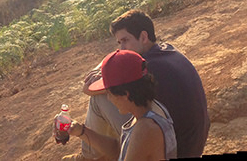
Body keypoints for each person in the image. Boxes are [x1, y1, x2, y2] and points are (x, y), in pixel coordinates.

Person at [67, 10, 209, 160]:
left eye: (125, 40)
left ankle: (88, 157)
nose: (122, 48)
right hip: (191, 143)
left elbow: (98, 89)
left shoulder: (147, 68)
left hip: (176, 149)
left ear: (143, 37)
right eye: (119, 43)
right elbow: (115, 60)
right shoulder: (166, 51)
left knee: (98, 100)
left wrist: (90, 86)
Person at [63, 49, 177, 161]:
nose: (108, 98)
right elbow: (119, 149)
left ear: (125, 94)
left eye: (109, 93)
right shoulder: (147, 109)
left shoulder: (145, 130)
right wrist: (81, 131)